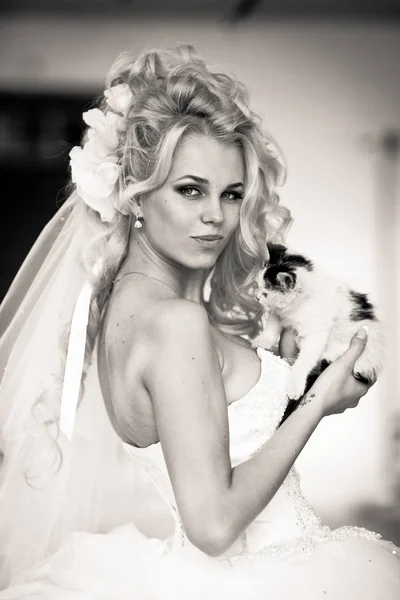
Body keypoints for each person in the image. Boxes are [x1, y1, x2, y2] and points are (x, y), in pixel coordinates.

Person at [0, 44, 399, 599]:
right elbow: (213, 527)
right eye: (190, 190)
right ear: (136, 197)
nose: (216, 215)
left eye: (232, 194)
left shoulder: (125, 308)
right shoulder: (175, 322)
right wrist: (317, 401)